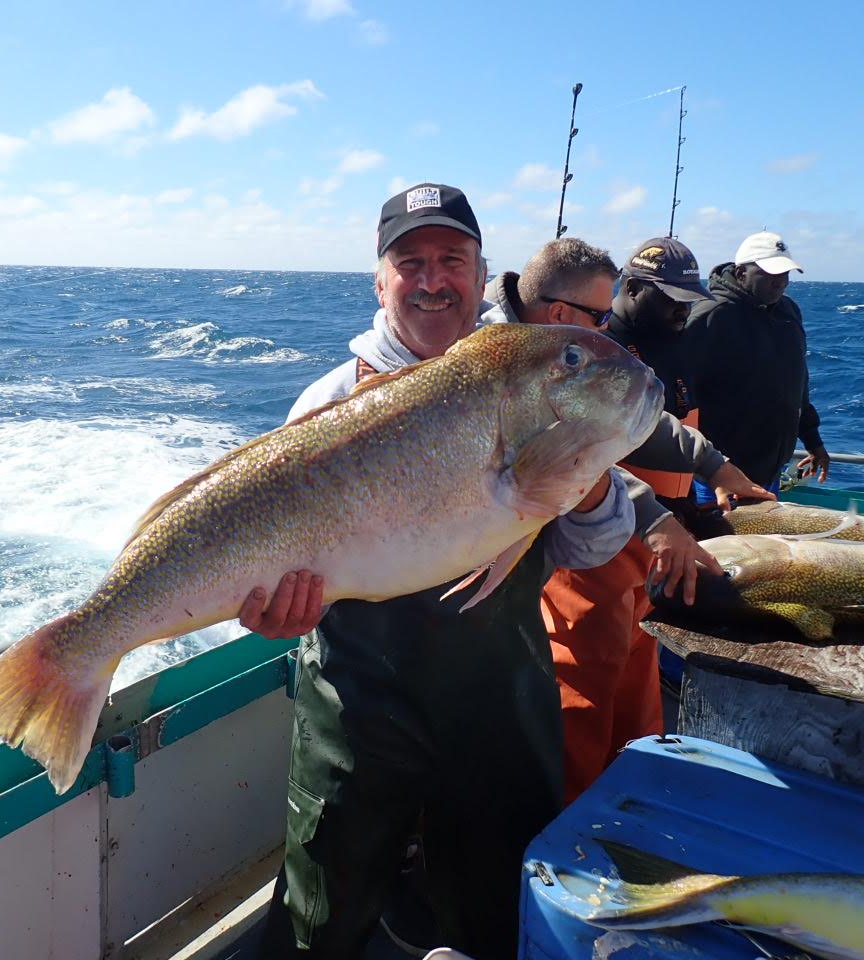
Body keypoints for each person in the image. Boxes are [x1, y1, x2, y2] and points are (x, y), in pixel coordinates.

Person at [241, 184, 640, 959]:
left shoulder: (538, 375)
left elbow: (588, 548)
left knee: (499, 909)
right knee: (322, 912)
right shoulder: (326, 405)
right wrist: (273, 612)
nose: (431, 280)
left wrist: (585, 485)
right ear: (379, 280)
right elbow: (265, 551)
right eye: (409, 261)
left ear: (481, 271)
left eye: (450, 260)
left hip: (498, 695)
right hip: (355, 703)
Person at [483, 237, 773, 803]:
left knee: (635, 682)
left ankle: (628, 801)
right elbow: (577, 460)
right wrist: (656, 517)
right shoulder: (502, 354)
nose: (605, 323)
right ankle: (567, 824)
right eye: (598, 313)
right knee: (580, 691)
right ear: (563, 315)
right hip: (563, 559)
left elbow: (647, 425)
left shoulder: (585, 349)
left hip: (624, 552)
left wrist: (715, 467)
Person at [684, 231, 830, 504]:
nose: (781, 283)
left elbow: (797, 383)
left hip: (769, 471)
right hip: (718, 479)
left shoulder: (789, 311)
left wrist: (813, 439)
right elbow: (679, 396)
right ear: (741, 273)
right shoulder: (710, 316)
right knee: (718, 546)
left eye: (785, 274)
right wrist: (711, 470)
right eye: (771, 275)